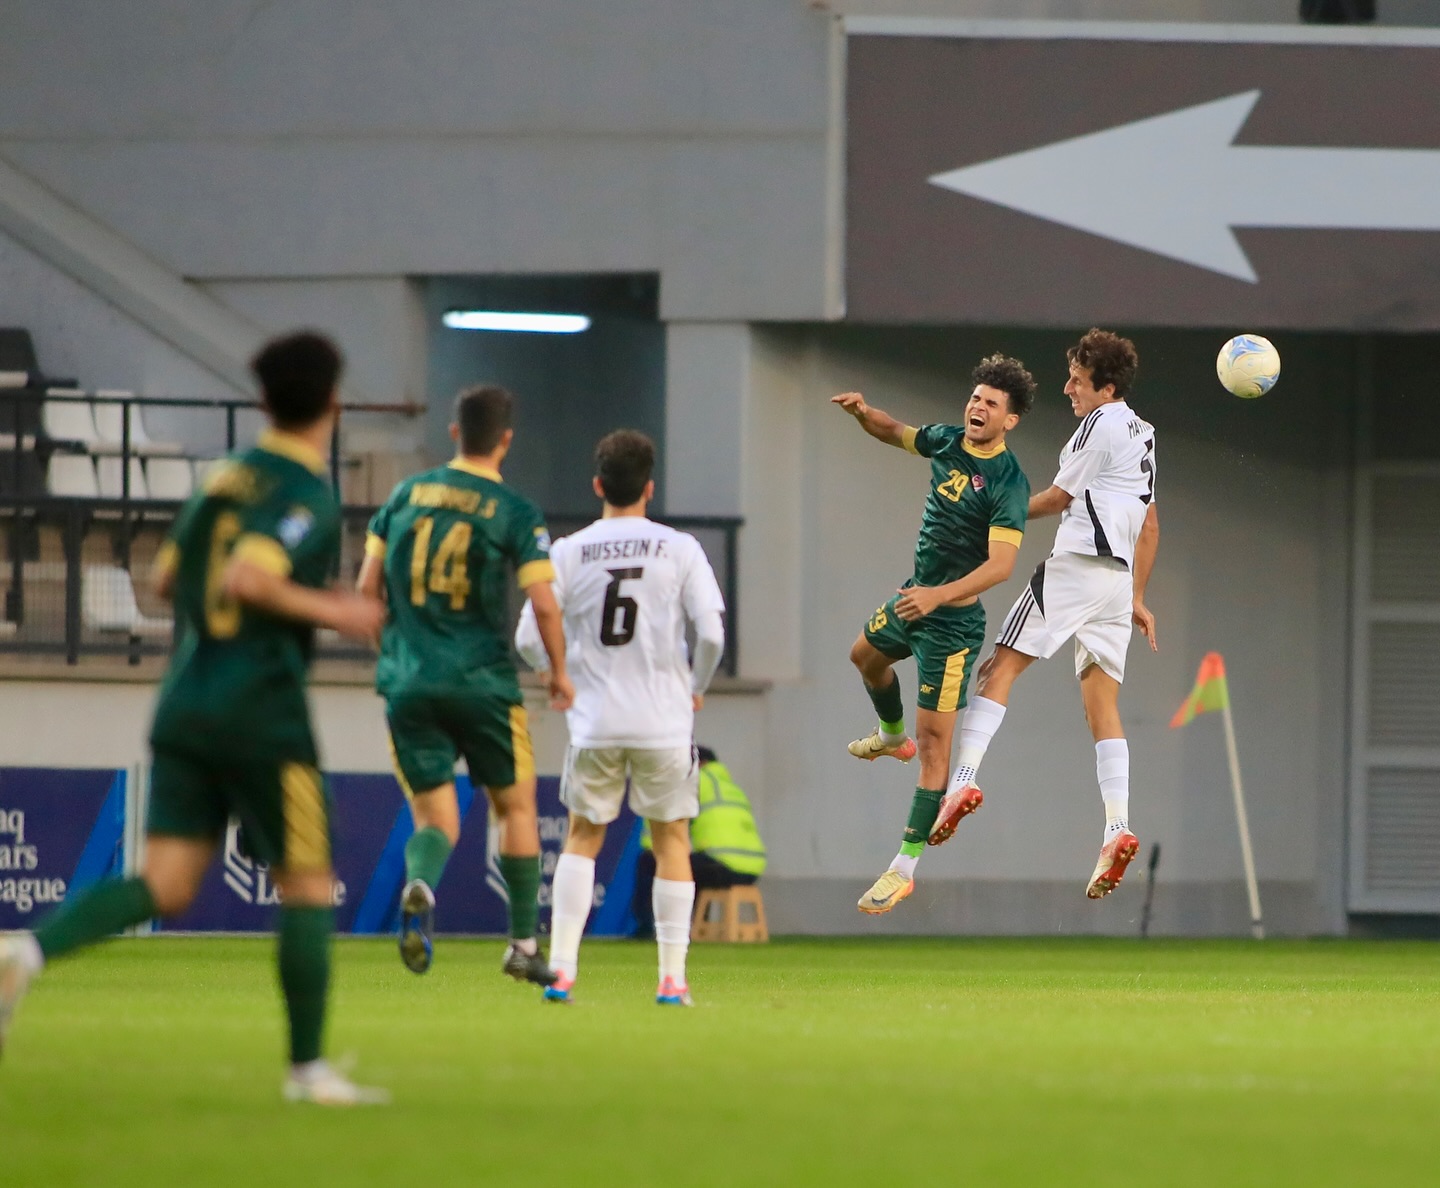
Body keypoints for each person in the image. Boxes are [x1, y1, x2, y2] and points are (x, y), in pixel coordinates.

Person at [0, 331, 387, 1104]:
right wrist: (334, 611)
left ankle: (29, 955)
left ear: (261, 401)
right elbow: (249, 576)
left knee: (167, 883)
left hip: (187, 701)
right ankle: (307, 1070)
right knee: (308, 884)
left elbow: (168, 577)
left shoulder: (225, 477)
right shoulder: (305, 490)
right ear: (333, 403)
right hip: (263, 714)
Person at [929, 328, 1159, 899]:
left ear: (1104, 387)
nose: (1068, 389)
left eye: (1077, 381)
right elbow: (1151, 524)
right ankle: (1116, 826)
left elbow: (1058, 498)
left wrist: (992, 515)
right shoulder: (1143, 432)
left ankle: (962, 781)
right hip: (1117, 580)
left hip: (1076, 566)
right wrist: (1136, 597)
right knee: (1102, 706)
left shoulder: (1098, 424)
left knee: (997, 670)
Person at [357, 385, 572, 985]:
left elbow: (364, 593)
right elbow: (544, 605)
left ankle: (421, 882)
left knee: (436, 821)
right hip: (481, 683)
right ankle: (523, 946)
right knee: (517, 807)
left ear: (454, 433)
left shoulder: (403, 495)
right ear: (506, 440)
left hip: (407, 682)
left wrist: (396, 658)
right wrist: (557, 672)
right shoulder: (512, 509)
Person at [515, 429, 725, 1006]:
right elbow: (710, 632)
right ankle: (672, 980)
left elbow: (528, 635)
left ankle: (560, 971)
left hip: (595, 719)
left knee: (583, 837)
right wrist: (696, 688)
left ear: (598, 485)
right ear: (649, 488)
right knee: (672, 839)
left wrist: (556, 673)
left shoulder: (566, 550)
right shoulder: (679, 548)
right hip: (663, 721)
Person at [834, 355, 1035, 916]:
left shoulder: (1007, 481)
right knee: (863, 657)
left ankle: (903, 869)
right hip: (913, 598)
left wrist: (938, 595)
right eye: (976, 397)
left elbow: (1000, 566)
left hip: (951, 624)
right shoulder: (948, 441)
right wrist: (863, 413)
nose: (978, 406)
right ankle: (889, 735)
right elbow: (894, 432)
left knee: (934, 750)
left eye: (992, 403)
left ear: (1010, 420)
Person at [631, 745, 766, 937]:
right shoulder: (732, 787)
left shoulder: (695, 781)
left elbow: (667, 823)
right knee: (693, 866)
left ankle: (646, 927)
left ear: (697, 763)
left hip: (722, 864)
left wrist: (653, 850)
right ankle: (693, 926)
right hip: (752, 869)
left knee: (649, 862)